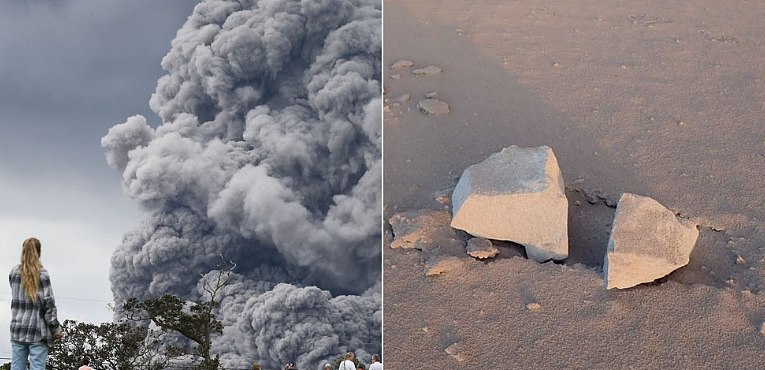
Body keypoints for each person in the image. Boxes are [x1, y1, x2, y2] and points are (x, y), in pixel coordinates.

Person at [9, 238, 62, 370]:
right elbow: (49, 306)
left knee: (16, 367)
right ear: (39, 253)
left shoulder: (14, 273)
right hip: (37, 331)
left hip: (17, 329)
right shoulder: (42, 275)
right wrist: (56, 330)